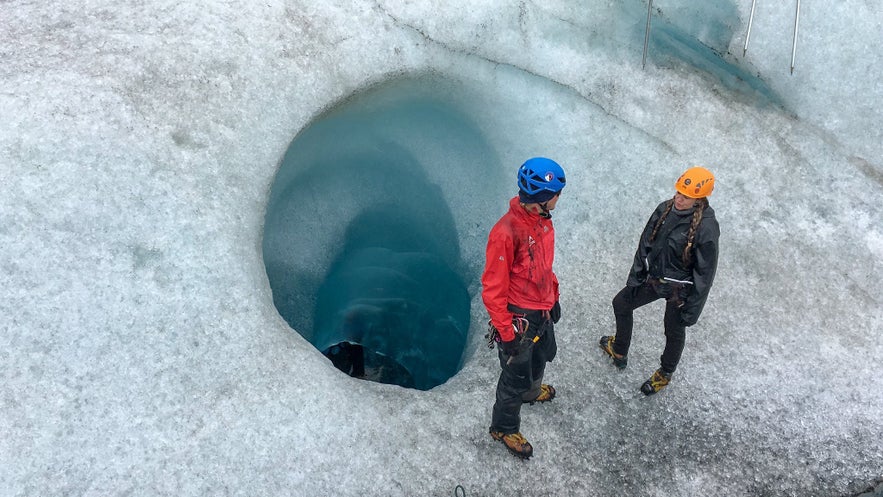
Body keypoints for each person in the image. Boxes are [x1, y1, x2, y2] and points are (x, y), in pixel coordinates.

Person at [599, 166, 719, 395]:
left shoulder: (707, 229)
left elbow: (705, 273)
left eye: (686, 196)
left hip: (679, 291)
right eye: (678, 193)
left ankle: (665, 373)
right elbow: (645, 242)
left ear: (699, 199)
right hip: (654, 278)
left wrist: (691, 310)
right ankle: (620, 350)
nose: (678, 199)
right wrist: (637, 275)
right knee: (621, 303)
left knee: (673, 330)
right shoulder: (665, 209)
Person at [483, 157, 565, 459]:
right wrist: (506, 331)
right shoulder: (506, 232)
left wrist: (552, 295)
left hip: (540, 309)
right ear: (544, 198)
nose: (559, 198)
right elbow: (493, 288)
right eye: (557, 193)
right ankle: (503, 428)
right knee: (514, 375)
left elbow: (542, 266)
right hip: (519, 316)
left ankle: (532, 393)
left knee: (541, 356)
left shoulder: (541, 222)